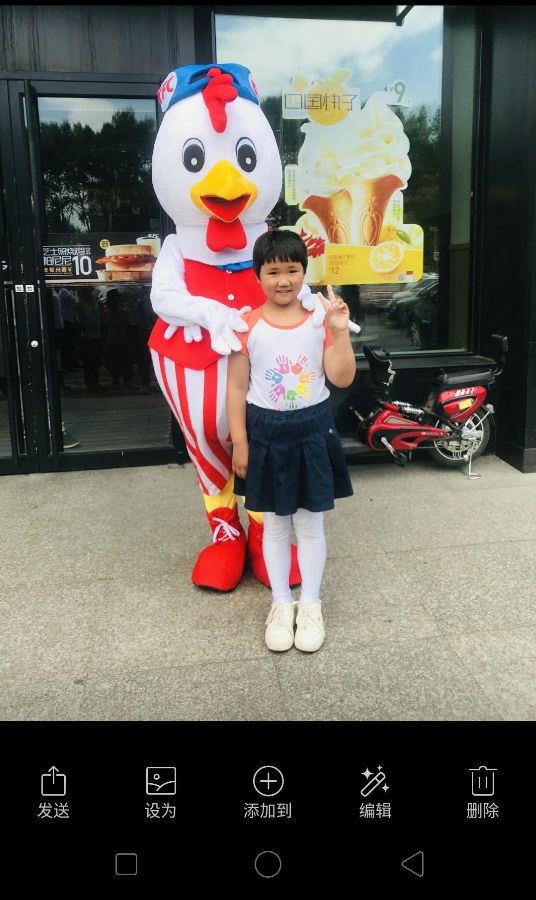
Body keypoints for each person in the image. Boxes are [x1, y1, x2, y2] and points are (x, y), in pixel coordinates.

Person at [226, 231, 356, 653]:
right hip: (265, 433)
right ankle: (282, 604)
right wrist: (240, 442)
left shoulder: (320, 320)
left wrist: (339, 332)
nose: (283, 280)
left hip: (312, 429)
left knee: (310, 524)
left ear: (304, 271)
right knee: (276, 523)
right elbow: (236, 388)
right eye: (273, 271)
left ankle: (311, 605)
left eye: (292, 270)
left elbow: (341, 378)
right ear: (258, 274)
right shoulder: (246, 325)